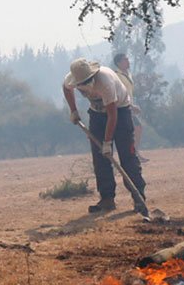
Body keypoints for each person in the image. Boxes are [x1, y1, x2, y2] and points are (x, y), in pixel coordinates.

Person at [62, 57, 148, 214]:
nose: (83, 87)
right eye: (80, 84)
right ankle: (107, 199)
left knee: (127, 157)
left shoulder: (105, 82)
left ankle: (138, 197)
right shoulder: (71, 80)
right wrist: (73, 110)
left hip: (120, 113)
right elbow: (66, 88)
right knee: (99, 159)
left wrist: (107, 143)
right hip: (96, 114)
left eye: (87, 81)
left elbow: (112, 115)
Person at [112, 52, 148, 163]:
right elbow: (119, 94)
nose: (128, 61)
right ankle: (131, 154)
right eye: (125, 59)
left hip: (129, 106)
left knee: (137, 128)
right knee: (132, 130)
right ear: (119, 63)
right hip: (122, 108)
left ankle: (135, 152)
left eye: (128, 59)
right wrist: (131, 106)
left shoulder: (128, 74)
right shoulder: (116, 76)